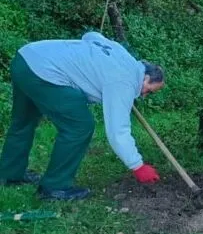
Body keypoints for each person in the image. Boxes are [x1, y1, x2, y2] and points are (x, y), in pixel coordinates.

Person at [0, 32, 165, 201]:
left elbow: (91, 35)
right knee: (79, 127)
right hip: (45, 73)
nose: (144, 96)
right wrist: (137, 166)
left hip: (26, 58)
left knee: (23, 121)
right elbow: (118, 132)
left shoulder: (123, 55)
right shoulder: (124, 82)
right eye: (149, 91)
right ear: (145, 77)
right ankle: (54, 188)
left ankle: (10, 173)